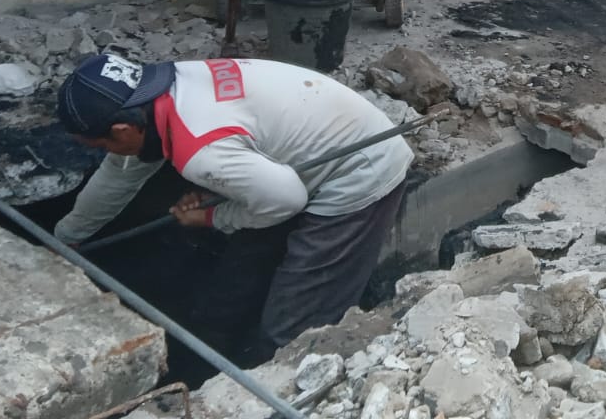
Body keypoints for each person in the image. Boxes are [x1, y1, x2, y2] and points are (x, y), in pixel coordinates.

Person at [54, 53, 412, 360]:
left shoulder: (200, 149)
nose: (107, 153)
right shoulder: (162, 92)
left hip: (358, 167)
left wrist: (211, 215)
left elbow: (285, 200)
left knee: (293, 323)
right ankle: (212, 343)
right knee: (237, 277)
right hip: (300, 153)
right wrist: (67, 237)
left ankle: (281, 378)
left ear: (123, 129)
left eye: (102, 145)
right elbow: (118, 176)